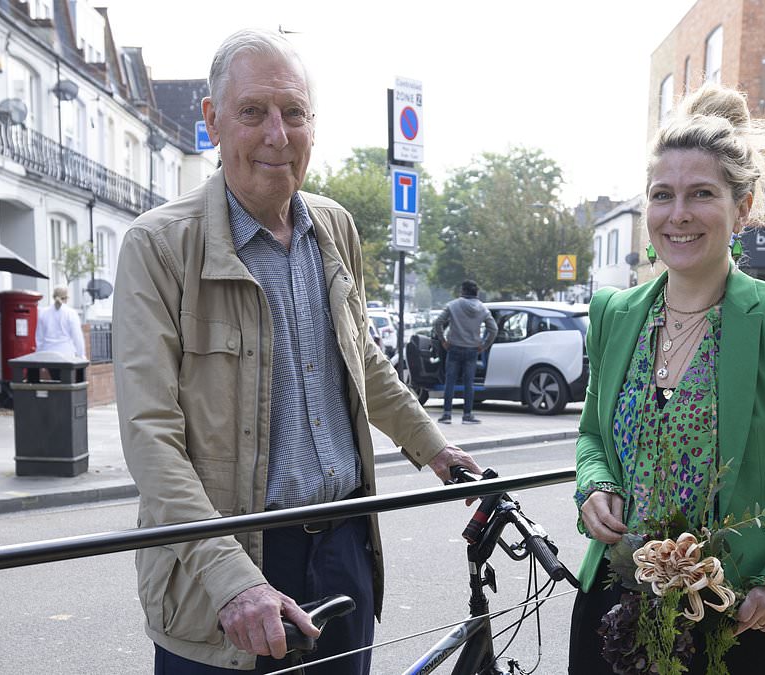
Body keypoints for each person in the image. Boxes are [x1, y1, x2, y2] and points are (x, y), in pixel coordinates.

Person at [112, 28, 481, 675]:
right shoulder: (159, 247)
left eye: (294, 112)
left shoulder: (335, 226)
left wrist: (437, 450)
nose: (277, 134)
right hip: (226, 565)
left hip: (343, 546)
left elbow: (361, 358)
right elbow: (150, 437)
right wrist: (234, 579)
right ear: (213, 120)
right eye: (253, 111)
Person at [569, 83, 765, 674]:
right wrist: (592, 488)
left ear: (742, 207)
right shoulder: (613, 315)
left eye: (702, 194)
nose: (678, 214)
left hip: (736, 612)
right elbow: (593, 435)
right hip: (612, 609)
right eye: (662, 195)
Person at [431, 280, 498, 424]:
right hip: (472, 349)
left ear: (463, 291)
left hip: (454, 347)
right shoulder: (482, 309)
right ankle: (467, 415)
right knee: (469, 383)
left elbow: (438, 322)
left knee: (450, 382)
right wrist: (484, 345)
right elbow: (493, 329)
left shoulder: (453, 305)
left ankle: (447, 414)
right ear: (476, 293)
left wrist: (443, 340)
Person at [34, 287, 85, 358]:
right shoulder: (71, 313)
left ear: (53, 297)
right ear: (66, 298)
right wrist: (81, 355)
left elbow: (39, 338)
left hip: (47, 355)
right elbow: (77, 337)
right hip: (66, 355)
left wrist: (39, 354)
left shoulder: (43, 312)